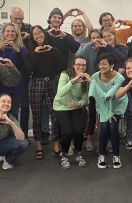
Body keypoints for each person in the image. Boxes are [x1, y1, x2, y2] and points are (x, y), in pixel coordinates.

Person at [25, 25, 67, 160]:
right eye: (35, 34)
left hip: (50, 83)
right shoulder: (30, 52)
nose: (38, 35)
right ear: (32, 37)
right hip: (35, 83)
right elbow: (28, 70)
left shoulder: (52, 49)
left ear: (44, 34)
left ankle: (56, 146)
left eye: (40, 33)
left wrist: (54, 51)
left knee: (55, 114)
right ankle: (38, 146)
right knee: (36, 116)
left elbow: (64, 64)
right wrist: (36, 53)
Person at [41, 7, 80, 145]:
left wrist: (65, 36)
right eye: (54, 17)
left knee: (61, 104)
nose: (56, 19)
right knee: (46, 105)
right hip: (45, 74)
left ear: (61, 20)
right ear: (50, 19)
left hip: (62, 74)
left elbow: (76, 48)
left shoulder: (65, 35)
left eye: (59, 18)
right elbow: (36, 43)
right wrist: (46, 35)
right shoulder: (44, 33)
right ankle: (44, 132)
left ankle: (60, 131)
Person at [87, 53, 128, 169]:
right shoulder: (95, 77)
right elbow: (97, 97)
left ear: (112, 65)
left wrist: (93, 83)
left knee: (113, 127)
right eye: (99, 64)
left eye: (104, 64)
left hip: (117, 104)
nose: (101, 66)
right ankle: (101, 155)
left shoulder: (119, 78)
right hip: (103, 106)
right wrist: (108, 113)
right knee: (104, 127)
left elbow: (107, 97)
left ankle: (116, 155)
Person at [53, 56, 89, 169]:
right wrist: (74, 80)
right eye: (78, 64)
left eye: (83, 65)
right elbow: (60, 92)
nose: (81, 67)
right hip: (61, 106)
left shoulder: (86, 78)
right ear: (73, 65)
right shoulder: (65, 75)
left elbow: (85, 97)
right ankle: (64, 156)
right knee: (68, 132)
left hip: (75, 106)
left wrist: (78, 104)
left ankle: (78, 154)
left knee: (79, 131)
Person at [0, 23, 27, 121]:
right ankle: (0, 134)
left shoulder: (22, 48)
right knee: (0, 112)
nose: (10, 33)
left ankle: (13, 134)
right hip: (0, 85)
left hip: (16, 85)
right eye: (7, 31)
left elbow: (21, 66)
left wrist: (17, 51)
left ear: (16, 33)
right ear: (3, 33)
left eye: (13, 31)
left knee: (14, 112)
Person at [75, 29, 102, 152]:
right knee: (88, 113)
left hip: (101, 84)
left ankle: (96, 139)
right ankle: (86, 138)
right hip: (87, 84)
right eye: (93, 38)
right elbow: (78, 55)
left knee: (99, 115)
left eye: (98, 37)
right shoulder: (87, 48)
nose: (96, 40)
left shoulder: (103, 49)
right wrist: (91, 43)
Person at [0, 94, 28, 169]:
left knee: (24, 143)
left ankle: (8, 161)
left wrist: (11, 124)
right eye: (3, 101)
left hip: (2, 144)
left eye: (9, 102)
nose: (6, 104)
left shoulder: (11, 118)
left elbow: (22, 138)